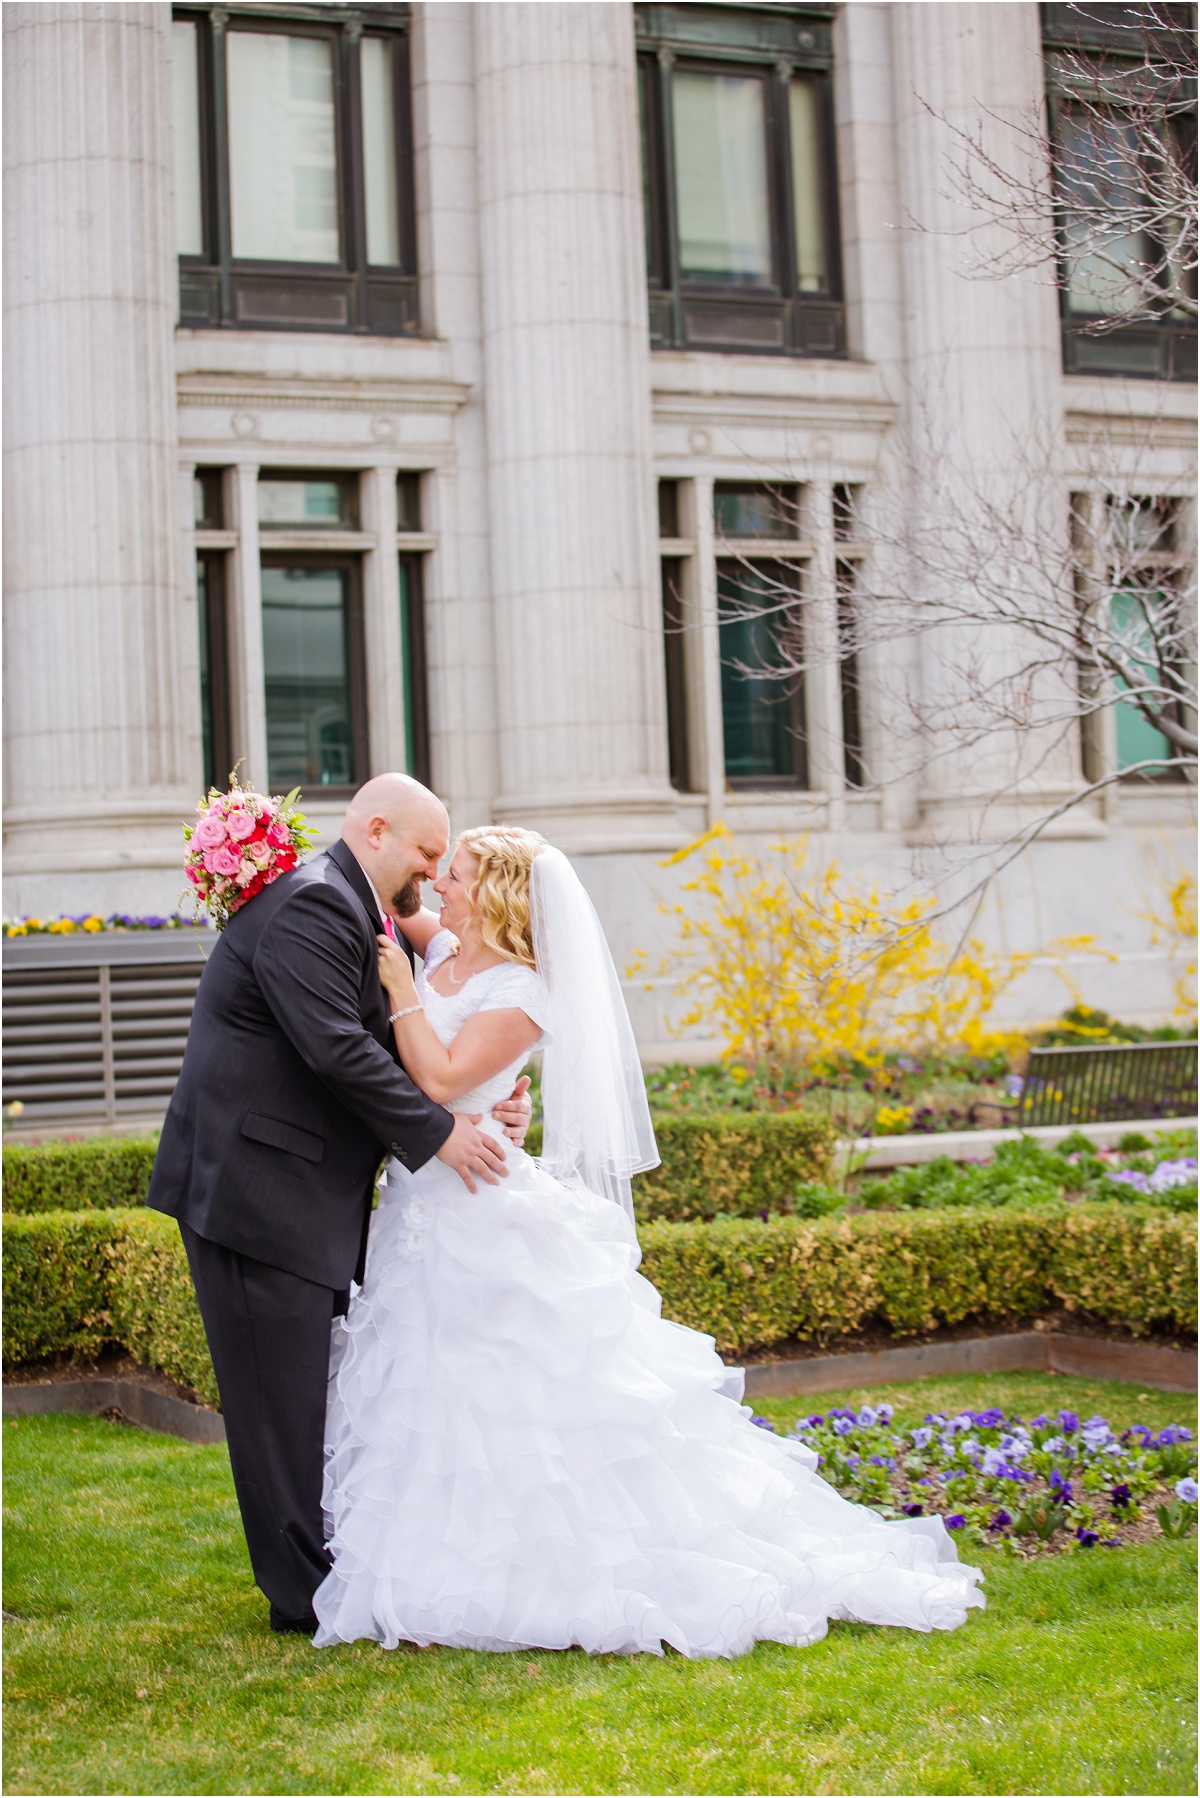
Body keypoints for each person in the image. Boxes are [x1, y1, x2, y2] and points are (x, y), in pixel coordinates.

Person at [313, 826, 984, 1656]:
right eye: (443, 871)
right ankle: (427, 1562)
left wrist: (400, 995)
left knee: (508, 1393)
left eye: (455, 876)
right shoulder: (445, 945)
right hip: (421, 1203)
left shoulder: (525, 989)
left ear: (494, 894)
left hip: (478, 1201)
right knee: (424, 1388)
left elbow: (446, 1078)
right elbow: (380, 895)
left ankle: (551, 1568)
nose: (439, 886)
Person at [147, 776, 532, 1636]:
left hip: (295, 1191)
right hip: (256, 1192)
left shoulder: (357, 907)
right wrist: (441, 1132)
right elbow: (337, 1049)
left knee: (301, 1396)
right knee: (276, 1403)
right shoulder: (317, 906)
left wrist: (483, 1098)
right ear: (377, 828)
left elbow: (411, 1024)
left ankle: (320, 1569)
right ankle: (303, 1595)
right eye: (430, 852)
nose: (435, 872)